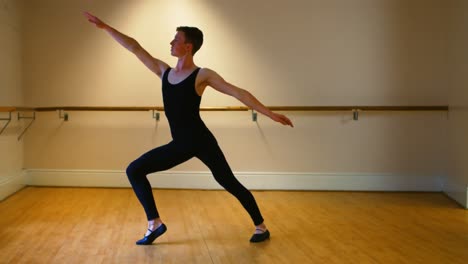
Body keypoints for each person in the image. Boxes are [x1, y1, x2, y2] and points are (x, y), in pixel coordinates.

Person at [84, 11, 294, 245]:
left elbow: (239, 92)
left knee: (226, 181)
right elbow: (135, 48)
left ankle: (260, 227)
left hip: (198, 140)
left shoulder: (201, 75)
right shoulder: (164, 72)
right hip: (183, 142)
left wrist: (270, 114)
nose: (171, 43)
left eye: (176, 39)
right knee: (136, 170)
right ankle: (155, 224)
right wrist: (105, 27)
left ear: (188, 46)